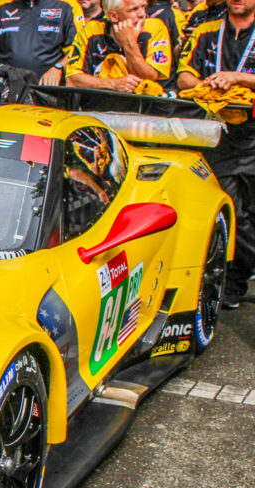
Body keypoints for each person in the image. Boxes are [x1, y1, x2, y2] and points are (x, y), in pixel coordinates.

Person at [178, 0, 255, 307]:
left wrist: (235, 78)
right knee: (231, 211)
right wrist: (208, 86)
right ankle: (233, 285)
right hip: (218, 133)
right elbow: (182, 75)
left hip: (252, 130)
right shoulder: (207, 29)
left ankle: (235, 284)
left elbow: (236, 78)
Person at [0, 0, 86, 85]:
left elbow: (76, 51)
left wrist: (58, 68)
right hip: (7, 90)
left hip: (48, 91)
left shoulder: (67, 5)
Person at [66, 0, 171, 91]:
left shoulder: (155, 27)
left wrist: (129, 43)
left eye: (144, 6)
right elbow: (72, 79)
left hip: (144, 108)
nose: (142, 14)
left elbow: (149, 77)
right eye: (134, 9)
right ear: (114, 16)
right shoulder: (91, 30)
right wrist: (113, 84)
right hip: (97, 107)